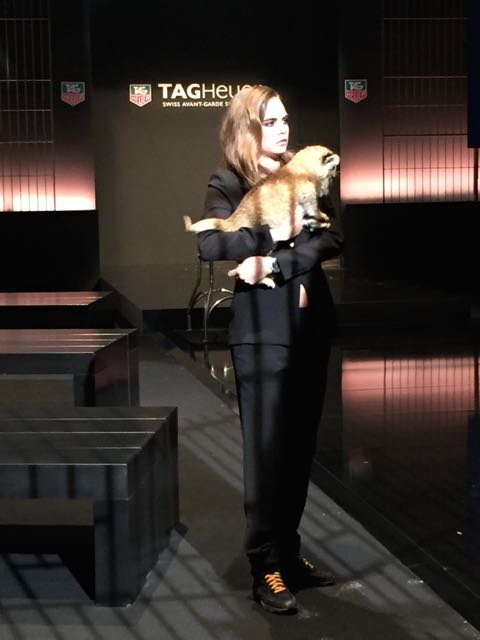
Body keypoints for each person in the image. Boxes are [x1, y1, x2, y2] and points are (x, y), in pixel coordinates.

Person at [196, 84, 343, 614]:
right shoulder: (228, 182)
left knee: (300, 448)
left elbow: (331, 237)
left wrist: (277, 263)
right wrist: (272, 234)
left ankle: (289, 552)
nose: (283, 129)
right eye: (271, 121)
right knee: (266, 454)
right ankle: (265, 567)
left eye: (285, 119)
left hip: (310, 329)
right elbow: (211, 243)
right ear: (247, 129)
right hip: (263, 335)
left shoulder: (305, 170)